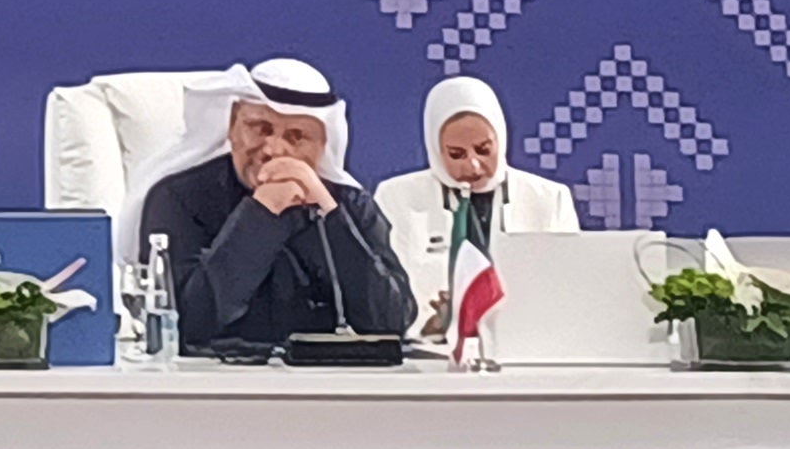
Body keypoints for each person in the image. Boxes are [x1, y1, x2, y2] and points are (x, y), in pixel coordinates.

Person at [138, 57, 413, 351]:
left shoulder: (350, 206)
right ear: (232, 127)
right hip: (215, 376)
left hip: (328, 376)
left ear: (322, 146)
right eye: (260, 128)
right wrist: (260, 215)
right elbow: (184, 324)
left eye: (296, 137)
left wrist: (328, 215)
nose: (273, 150)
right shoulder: (179, 198)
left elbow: (390, 323)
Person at [372, 74, 582, 330]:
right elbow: (383, 294)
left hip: (528, 342)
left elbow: (566, 292)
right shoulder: (397, 198)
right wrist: (431, 320)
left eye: (483, 150)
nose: (473, 165)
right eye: (456, 154)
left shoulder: (549, 199)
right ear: (435, 149)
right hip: (427, 348)